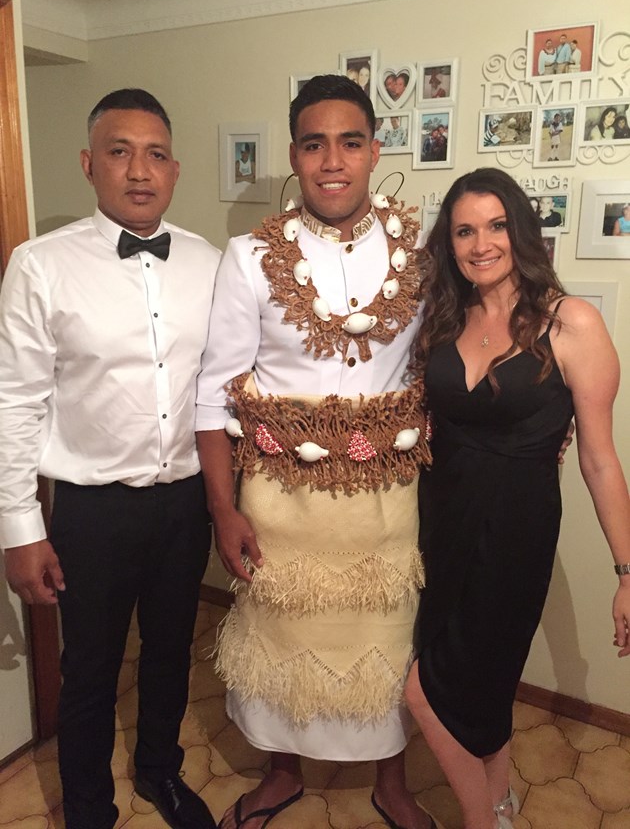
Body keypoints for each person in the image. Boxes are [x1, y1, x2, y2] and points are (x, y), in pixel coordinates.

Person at [195, 74, 436, 829]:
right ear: (295, 157)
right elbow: (214, 389)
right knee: (282, 641)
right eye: (314, 143)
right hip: (279, 500)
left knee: (385, 640)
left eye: (350, 142)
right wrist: (221, 508)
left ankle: (390, 780)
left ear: (374, 151)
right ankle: (281, 771)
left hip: (385, 501)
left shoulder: (420, 254)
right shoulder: (248, 257)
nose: (332, 160)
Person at [0, 89, 221, 829]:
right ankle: (88, 807)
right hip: (91, 511)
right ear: (90, 164)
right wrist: (19, 526)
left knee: (169, 653)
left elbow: (226, 386)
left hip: (185, 503)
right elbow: (15, 402)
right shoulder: (40, 266)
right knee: (90, 671)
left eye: (155, 154)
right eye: (120, 152)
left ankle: (160, 770)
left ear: (176, 170)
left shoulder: (209, 264)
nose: (139, 170)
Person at [404, 167, 630, 829]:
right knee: (486, 683)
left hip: (514, 533)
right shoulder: (447, 314)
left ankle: (480, 823)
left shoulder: (572, 323)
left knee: (425, 690)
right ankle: (499, 803)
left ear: (522, 231)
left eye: (496, 225)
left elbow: (598, 458)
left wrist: (627, 572)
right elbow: (427, 420)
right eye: (465, 230)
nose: (481, 244)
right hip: (439, 520)